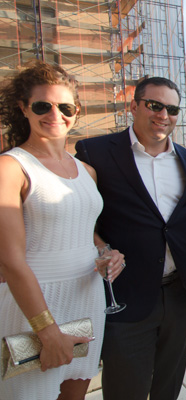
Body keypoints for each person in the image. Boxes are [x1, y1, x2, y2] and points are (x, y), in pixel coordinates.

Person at [75, 77, 186, 400]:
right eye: (155, 105)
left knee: (168, 388)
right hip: (125, 296)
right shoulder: (94, 153)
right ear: (134, 106)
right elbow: (79, 215)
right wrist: (101, 247)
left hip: (178, 294)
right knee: (126, 391)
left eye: (172, 108)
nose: (164, 114)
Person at [0, 60, 124, 399]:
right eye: (43, 105)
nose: (55, 114)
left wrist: (107, 252)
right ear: (23, 108)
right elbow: (10, 262)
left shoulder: (87, 170)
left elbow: (85, 230)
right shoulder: (10, 167)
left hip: (86, 298)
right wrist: (47, 331)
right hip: (36, 305)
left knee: (74, 395)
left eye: (65, 106)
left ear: (77, 111)